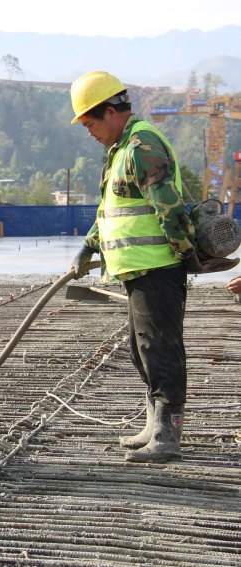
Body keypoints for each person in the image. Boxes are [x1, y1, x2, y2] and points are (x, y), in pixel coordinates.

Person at [68, 71, 208, 463]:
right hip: (137, 270)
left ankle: (167, 435)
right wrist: (89, 245)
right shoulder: (123, 150)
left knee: (160, 349)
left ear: (111, 112)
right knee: (140, 349)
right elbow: (113, 211)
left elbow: (170, 208)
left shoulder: (142, 147)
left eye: (90, 122)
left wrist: (186, 255)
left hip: (158, 267)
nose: (89, 131)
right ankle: (153, 425)